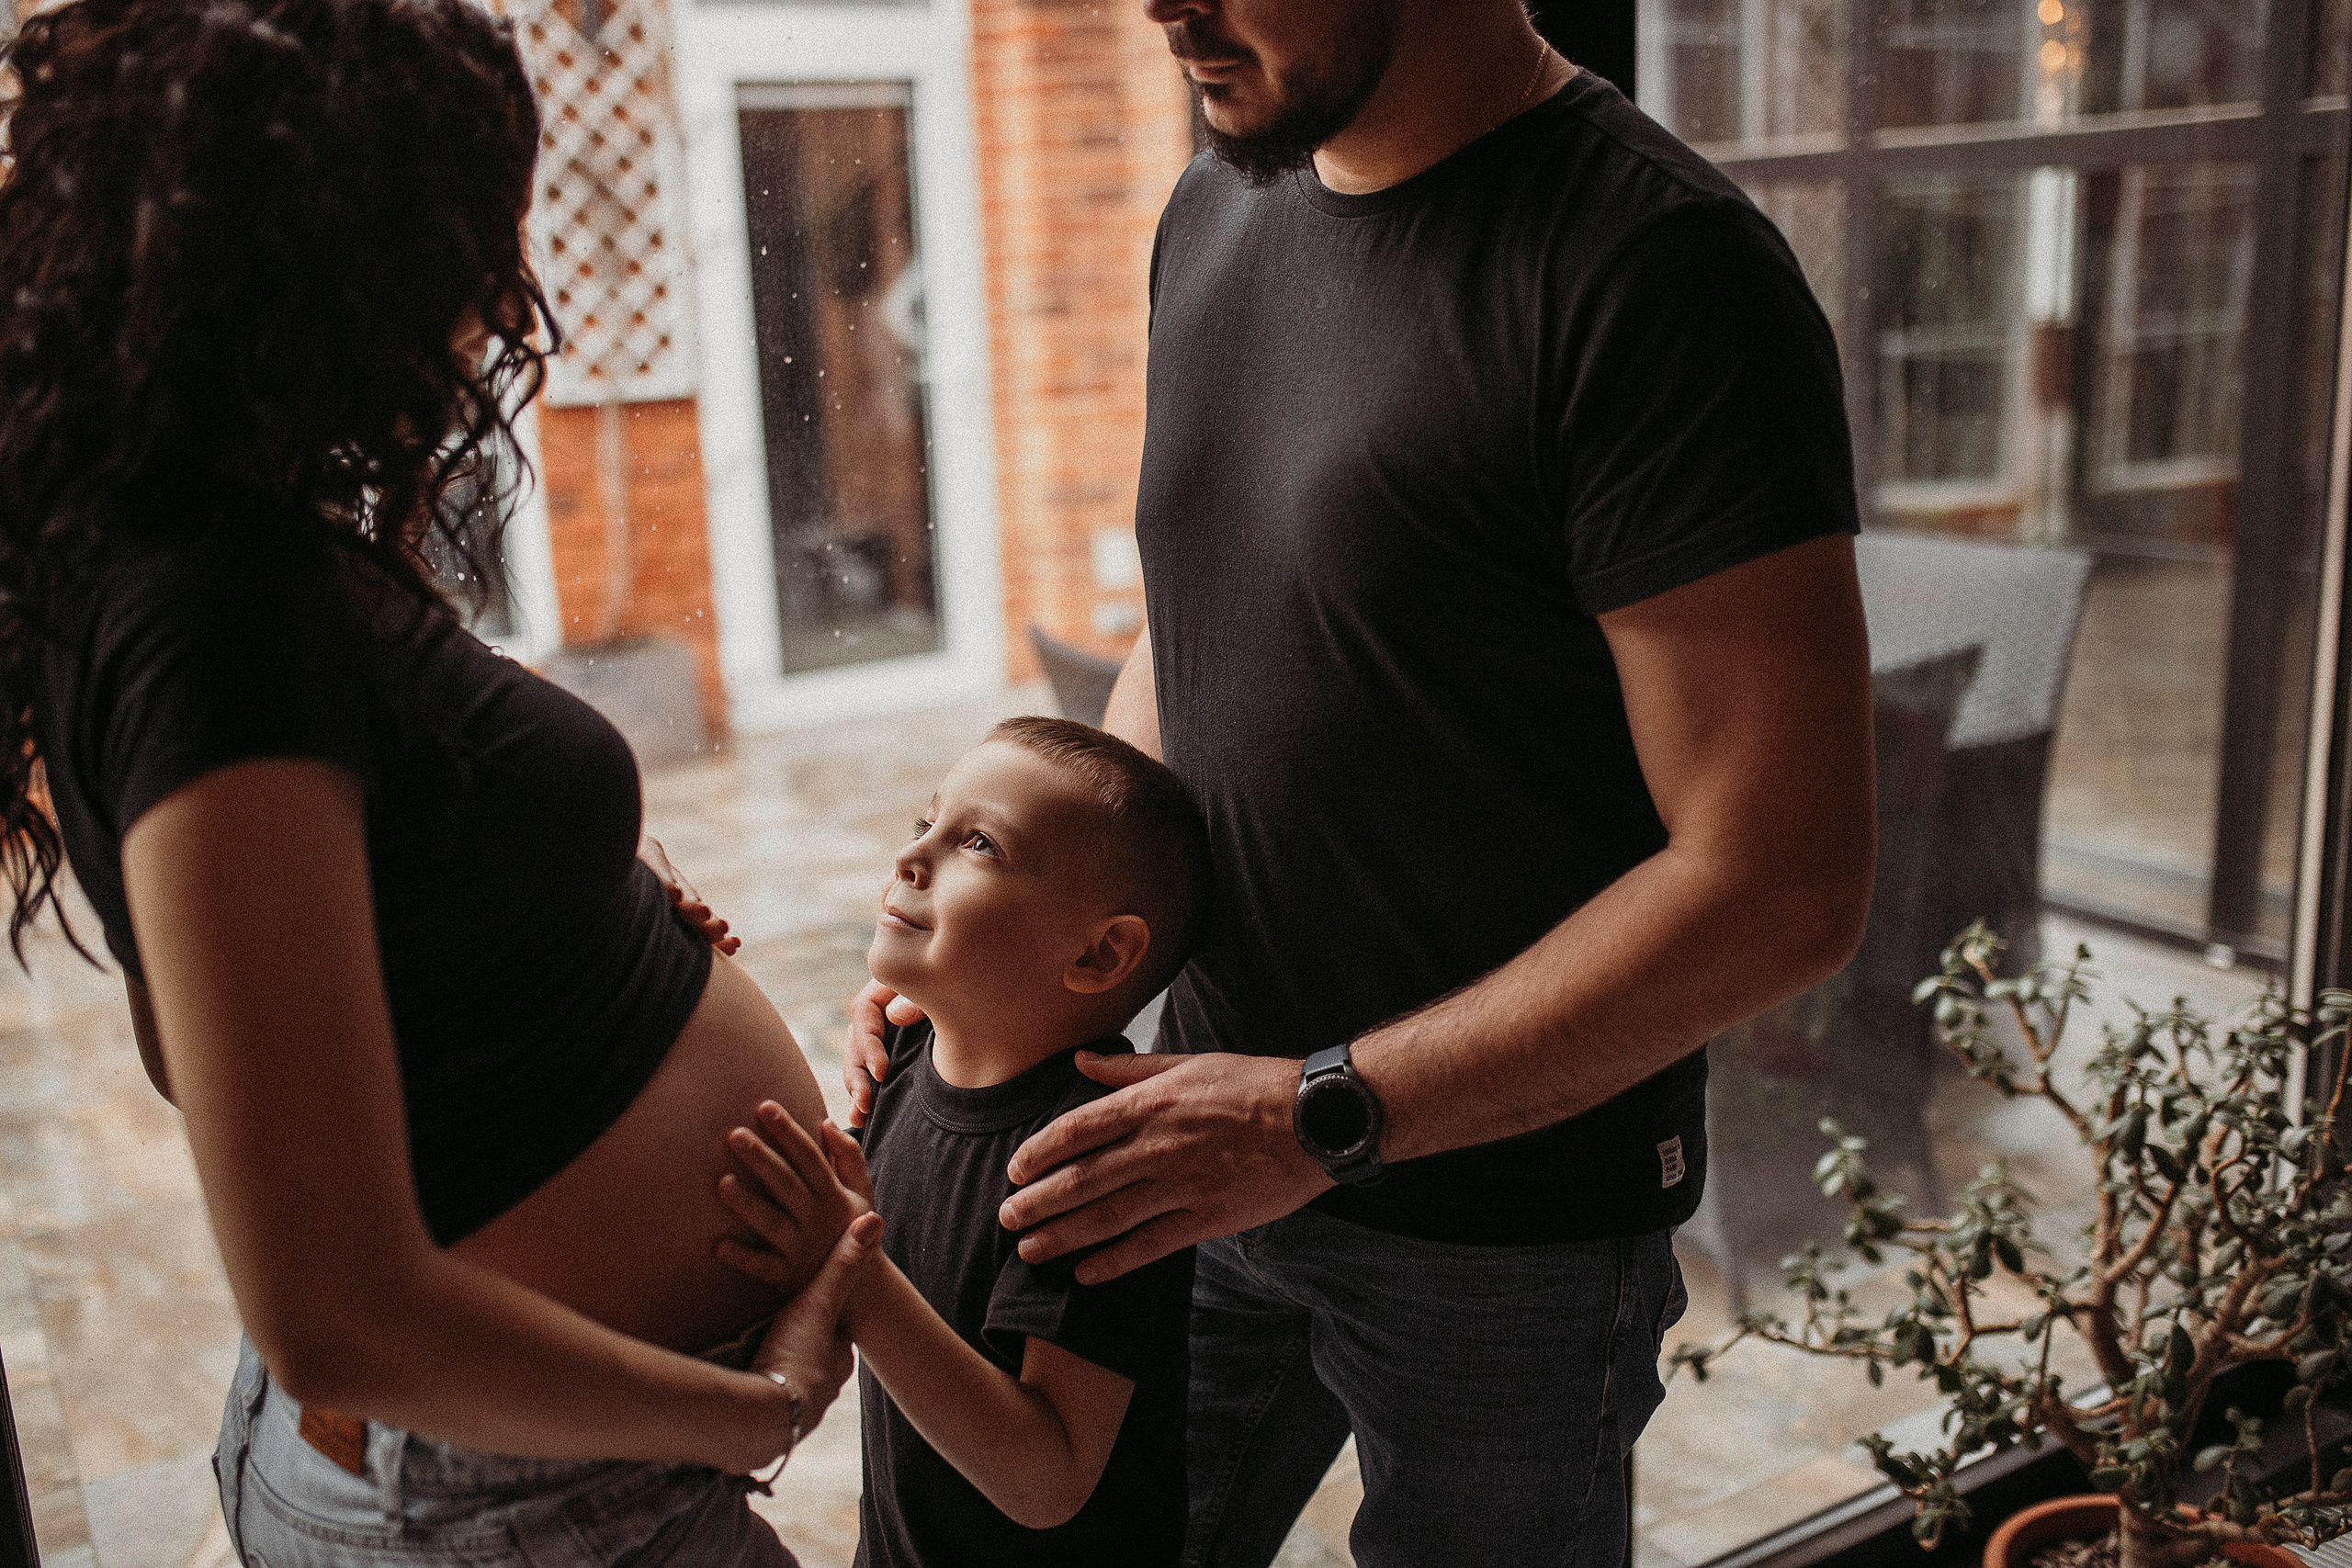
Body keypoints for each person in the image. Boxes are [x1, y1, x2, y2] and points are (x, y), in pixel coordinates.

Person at [846, 1, 1881, 1564]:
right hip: (1185, 1146)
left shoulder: (1657, 270)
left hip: (1500, 1233)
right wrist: (1021, 964)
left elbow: (1782, 878)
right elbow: (1206, 641)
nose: (1166, 6)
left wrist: (1319, 1114)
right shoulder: (1220, 200)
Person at [0, 0, 874, 1560]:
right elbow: (335, 1315)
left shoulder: (183, 534)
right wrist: (753, 1412)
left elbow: (196, 1041)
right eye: (469, 239)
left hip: (520, 1471)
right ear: (330, 252)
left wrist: (550, 930)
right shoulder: (213, 606)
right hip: (514, 1495)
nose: (495, 299)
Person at [721, 717, 1208, 1567]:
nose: (913, 858)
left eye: (977, 843)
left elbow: (1048, 1477)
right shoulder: (904, 1058)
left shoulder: (1096, 1154)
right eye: (926, 824)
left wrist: (854, 1274)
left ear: (1100, 952)